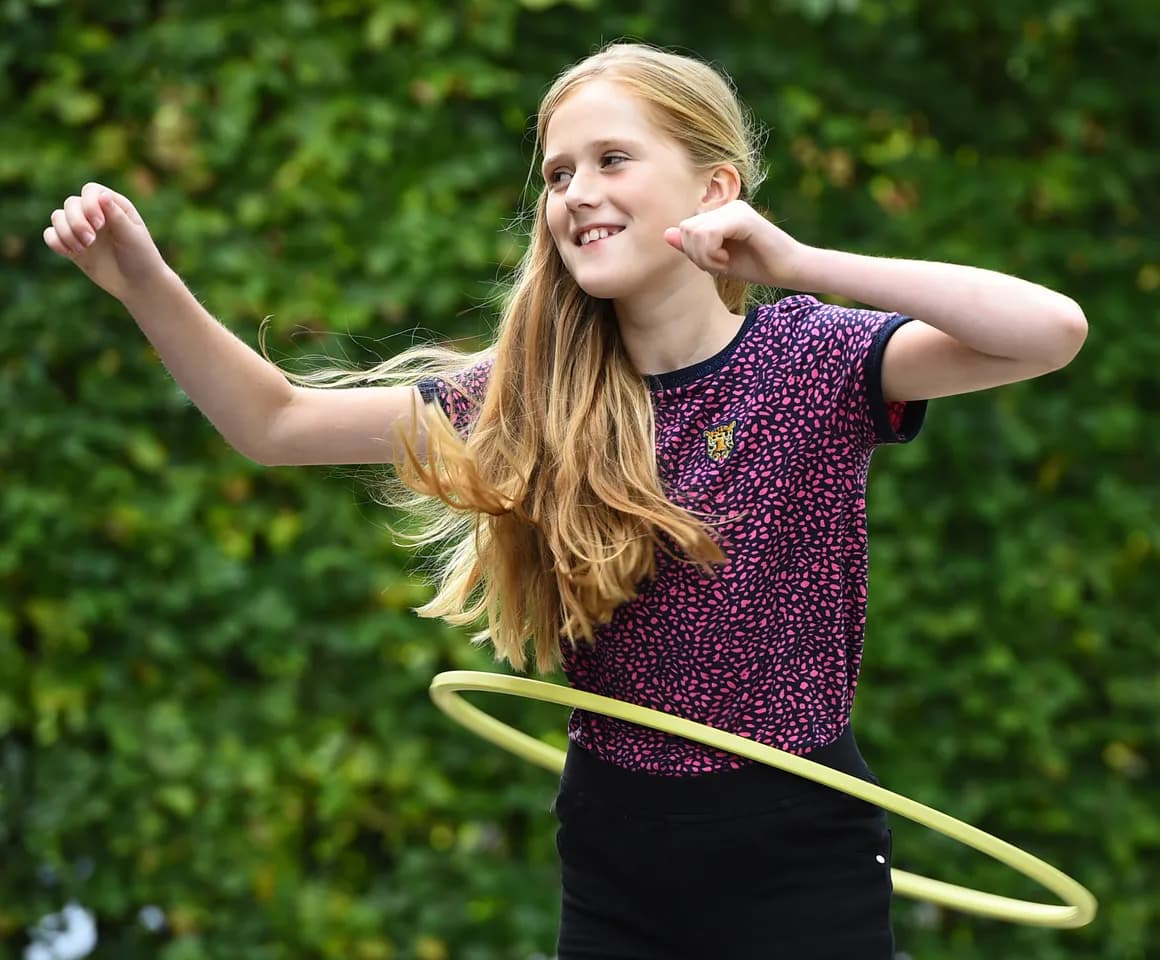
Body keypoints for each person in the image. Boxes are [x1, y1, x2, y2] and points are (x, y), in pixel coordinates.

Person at [44, 39, 1086, 960]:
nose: (575, 191)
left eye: (610, 160)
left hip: (796, 849)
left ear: (712, 186)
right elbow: (269, 425)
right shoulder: (534, 393)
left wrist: (801, 259)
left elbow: (1047, 332)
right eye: (556, 173)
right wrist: (143, 276)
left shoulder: (807, 358)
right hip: (615, 853)